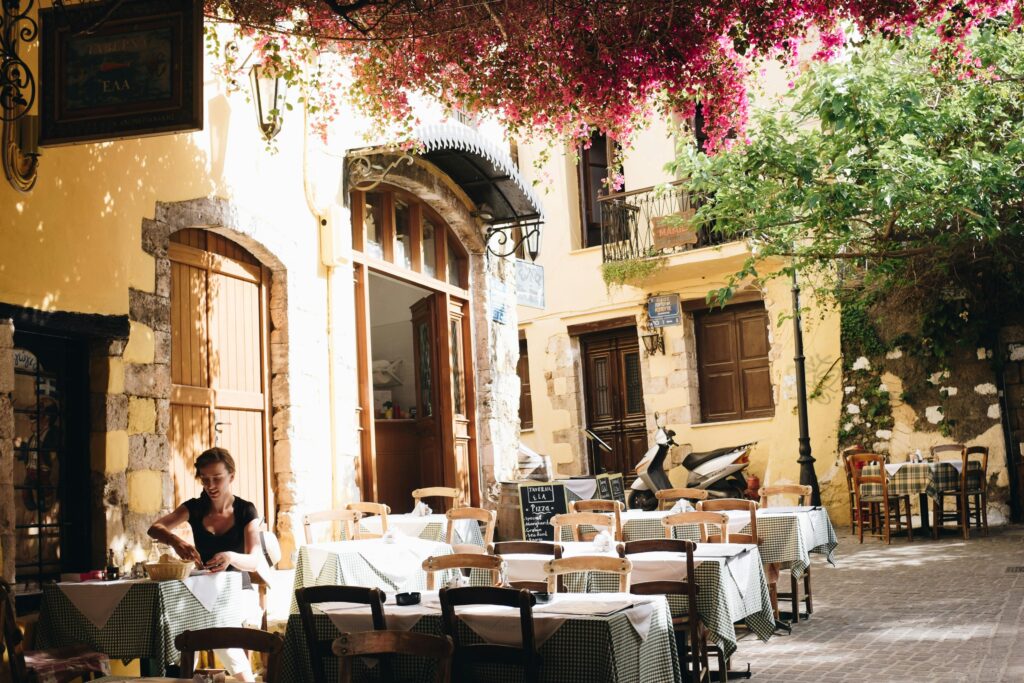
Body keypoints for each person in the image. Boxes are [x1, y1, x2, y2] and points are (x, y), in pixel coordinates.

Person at [148, 447, 262, 681]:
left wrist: (230, 556)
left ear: (231, 476)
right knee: (182, 629)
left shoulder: (245, 510)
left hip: (238, 590)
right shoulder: (195, 507)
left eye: (217, 478)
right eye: (205, 479)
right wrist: (175, 540)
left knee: (216, 630)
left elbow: (254, 560)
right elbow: (154, 528)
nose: (210, 485)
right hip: (202, 592)